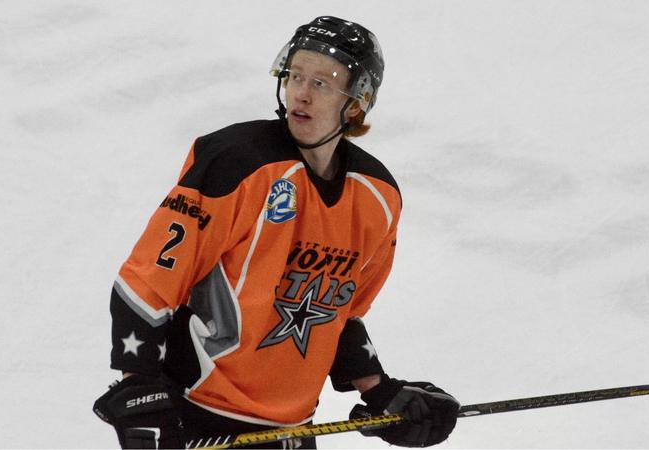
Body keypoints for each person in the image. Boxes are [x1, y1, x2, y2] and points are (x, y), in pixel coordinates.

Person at [93, 16, 460, 449]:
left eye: (322, 83)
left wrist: (378, 389)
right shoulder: (236, 161)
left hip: (294, 429)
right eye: (295, 76)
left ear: (356, 103)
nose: (301, 93)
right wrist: (138, 388)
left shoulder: (378, 196)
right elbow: (149, 280)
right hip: (198, 416)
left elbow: (337, 311)